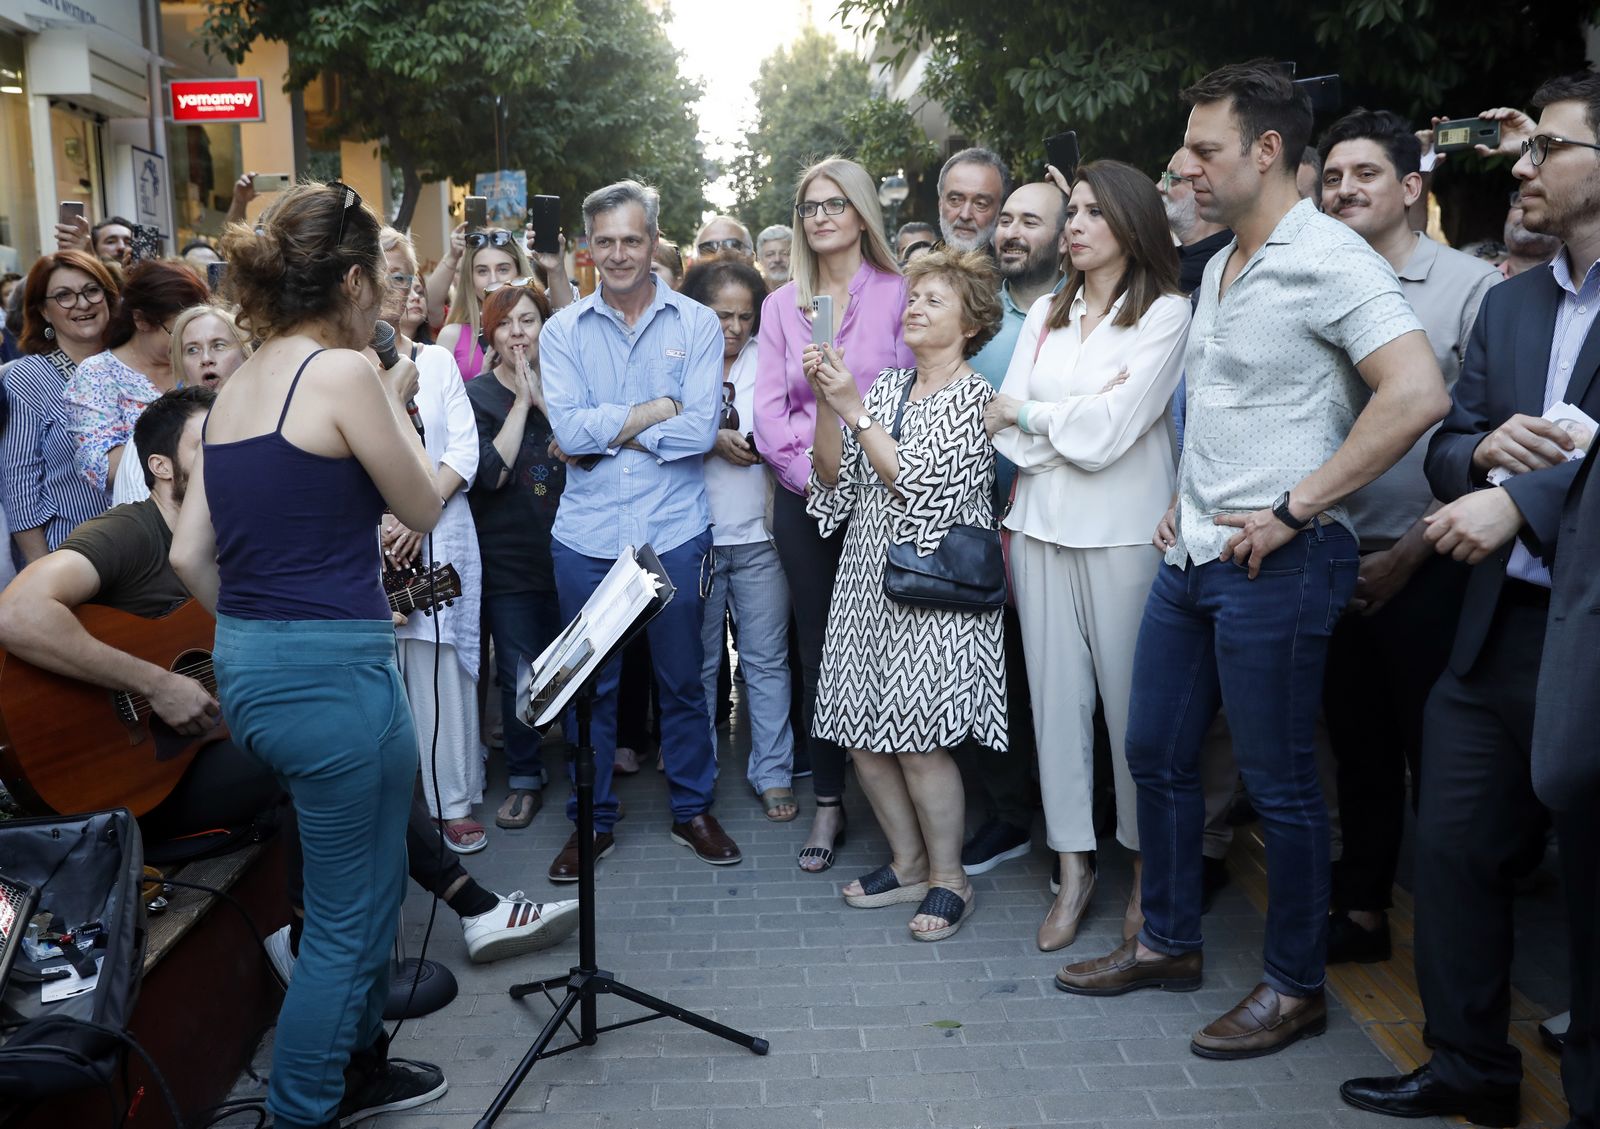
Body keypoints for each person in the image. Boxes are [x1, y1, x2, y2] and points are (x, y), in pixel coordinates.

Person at [1055, 61, 1449, 1062]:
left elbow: (1414, 395)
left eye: (1202, 150)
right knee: (1155, 751)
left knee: (1278, 786)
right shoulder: (1224, 256)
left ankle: (1292, 988)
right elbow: (1226, 407)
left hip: (1282, 558)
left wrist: (1293, 506)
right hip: (1194, 554)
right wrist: (1184, 502)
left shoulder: (1330, 257)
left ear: (1265, 151)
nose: (1182, 165)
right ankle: (1169, 942)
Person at [1341, 72, 1600, 1128]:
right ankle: (1467, 1066)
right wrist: (1478, 453)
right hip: (1493, 632)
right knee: (1447, 851)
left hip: (1588, 640)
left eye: (1547, 146)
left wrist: (1525, 503)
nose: (1521, 165)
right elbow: (1448, 440)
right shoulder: (1515, 300)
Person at [169, 181, 448, 1129]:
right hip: (336, 684)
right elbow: (422, 506)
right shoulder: (340, 373)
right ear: (357, 280)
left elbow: (185, 555)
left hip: (251, 670)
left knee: (357, 899)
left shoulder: (233, 386)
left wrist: (259, 638)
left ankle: (358, 1068)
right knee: (349, 920)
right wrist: (398, 392)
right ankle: (302, 1109)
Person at [986, 159, 1190, 953]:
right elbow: (1005, 430)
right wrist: (1057, 424)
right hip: (1038, 526)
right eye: (1069, 211)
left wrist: (1039, 418)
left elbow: (1111, 434)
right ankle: (1074, 868)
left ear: (1131, 224)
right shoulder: (1045, 315)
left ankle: (1142, 871)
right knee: (1055, 708)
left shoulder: (1167, 313)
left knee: (1132, 716)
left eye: (1091, 213)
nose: (1072, 226)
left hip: (1125, 534)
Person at [1314, 108, 1498, 965]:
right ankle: (1361, 909)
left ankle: (1460, 949)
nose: (1346, 188)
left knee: (1445, 759)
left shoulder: (1473, 288)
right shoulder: (1311, 280)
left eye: (1367, 174)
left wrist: (1412, 551)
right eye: (1335, 176)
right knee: (1357, 748)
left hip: (1433, 559)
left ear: (1412, 188)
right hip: (1331, 554)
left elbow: (1488, 441)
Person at [540, 179, 740, 879]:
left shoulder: (697, 323)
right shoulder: (562, 330)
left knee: (683, 680)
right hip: (587, 536)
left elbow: (700, 427)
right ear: (587, 250)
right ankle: (590, 824)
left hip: (674, 529)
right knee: (587, 685)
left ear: (653, 240)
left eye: (632, 238)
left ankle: (692, 810)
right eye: (606, 242)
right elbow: (567, 428)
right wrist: (658, 408)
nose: (619, 254)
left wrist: (617, 426)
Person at [809, 246, 1006, 942]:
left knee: (920, 741)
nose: (915, 307)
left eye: (933, 299)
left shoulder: (975, 398)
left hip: (934, 592)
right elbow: (831, 479)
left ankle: (951, 878)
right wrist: (829, 404)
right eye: (913, 297)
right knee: (862, 737)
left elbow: (917, 487)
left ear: (971, 320)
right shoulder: (885, 387)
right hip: (865, 579)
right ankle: (909, 862)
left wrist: (852, 407)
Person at [754, 155, 914, 874]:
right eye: (809, 206)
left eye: (833, 204)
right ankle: (828, 795)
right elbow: (767, 412)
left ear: (860, 213)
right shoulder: (781, 303)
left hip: (884, 497)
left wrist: (860, 477)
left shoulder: (901, 293)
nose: (820, 216)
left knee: (886, 645)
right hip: (805, 497)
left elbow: (917, 394)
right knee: (818, 651)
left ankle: (907, 805)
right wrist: (816, 480)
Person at [956, 179, 1068, 880]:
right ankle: (1006, 815)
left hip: (1061, 521)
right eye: (1007, 220)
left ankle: (1072, 826)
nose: (1010, 232)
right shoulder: (973, 307)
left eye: (1031, 221)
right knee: (994, 677)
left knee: (1061, 682)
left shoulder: (1088, 309)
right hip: (977, 520)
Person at [374, 227, 488, 853]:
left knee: (441, 669)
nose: (406, 288)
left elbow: (464, 450)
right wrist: (391, 518)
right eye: (393, 275)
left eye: (409, 276)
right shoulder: (342, 368)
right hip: (369, 540)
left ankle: (452, 800)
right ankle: (395, 812)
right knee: (379, 675)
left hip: (441, 531)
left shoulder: (438, 360)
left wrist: (418, 513)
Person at [681, 258, 796, 821]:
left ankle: (772, 771)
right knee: (698, 665)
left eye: (745, 316)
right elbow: (653, 433)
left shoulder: (769, 361)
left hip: (759, 536)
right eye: (721, 314)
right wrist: (710, 440)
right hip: (693, 538)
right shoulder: (678, 363)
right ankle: (696, 775)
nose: (733, 326)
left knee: (766, 660)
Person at [464, 281, 566, 833]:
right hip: (507, 555)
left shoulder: (571, 383)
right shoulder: (475, 395)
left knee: (577, 668)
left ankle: (581, 767)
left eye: (529, 320)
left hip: (573, 550)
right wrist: (522, 404)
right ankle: (525, 778)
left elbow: (587, 450)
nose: (518, 332)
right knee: (520, 673)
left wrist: (545, 396)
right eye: (506, 323)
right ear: (490, 334)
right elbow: (491, 473)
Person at [1, 251, 120, 563]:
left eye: (92, 290)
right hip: (74, 557)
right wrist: (41, 572)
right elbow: (19, 483)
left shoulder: (133, 362)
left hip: (151, 552)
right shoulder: (27, 377)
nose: (82, 304)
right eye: (64, 296)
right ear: (44, 310)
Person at [60, 260, 208, 493]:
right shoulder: (98, 374)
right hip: (146, 517)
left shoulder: (202, 360)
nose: (189, 340)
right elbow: (100, 467)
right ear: (140, 320)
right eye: (177, 330)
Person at [112, 303, 253, 505]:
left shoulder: (273, 414)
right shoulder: (156, 431)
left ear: (246, 354)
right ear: (180, 365)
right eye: (192, 350)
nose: (206, 359)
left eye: (218, 345)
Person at [435, 227, 536, 381]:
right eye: (482, 271)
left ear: (519, 272)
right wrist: (483, 378)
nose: (493, 280)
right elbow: (438, 401)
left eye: (503, 269)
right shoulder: (451, 336)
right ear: (471, 278)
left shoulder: (539, 328)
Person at [1159, 148, 1234, 295]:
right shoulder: (1169, 259)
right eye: (1164, 176)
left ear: (1206, 190)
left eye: (1173, 179)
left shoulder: (1222, 265)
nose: (1159, 187)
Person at [937, 147, 1010, 253]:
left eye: (980, 204)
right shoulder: (915, 269)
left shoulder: (1013, 269)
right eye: (955, 200)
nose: (965, 215)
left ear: (999, 213)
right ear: (940, 205)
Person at [1501, 189, 1563, 278]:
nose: (1529, 210)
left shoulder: (1583, 284)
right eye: (1521, 201)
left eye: (1543, 205)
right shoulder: (1480, 279)